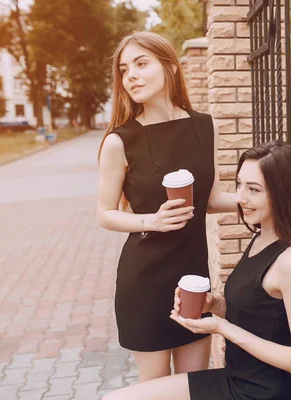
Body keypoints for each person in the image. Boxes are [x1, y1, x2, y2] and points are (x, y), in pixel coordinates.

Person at [102, 141, 291, 400]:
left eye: (254, 189)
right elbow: (261, 317)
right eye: (239, 185)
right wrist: (214, 305)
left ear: (283, 193)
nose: (240, 198)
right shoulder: (261, 238)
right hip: (234, 379)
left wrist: (223, 328)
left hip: (258, 393)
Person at [97, 31, 237, 382]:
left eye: (142, 64)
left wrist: (265, 199)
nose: (131, 75)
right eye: (125, 69)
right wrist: (151, 220)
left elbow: (212, 200)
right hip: (145, 281)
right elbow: (104, 213)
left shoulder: (205, 127)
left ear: (171, 67)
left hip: (192, 277)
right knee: (158, 388)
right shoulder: (120, 141)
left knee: (196, 384)